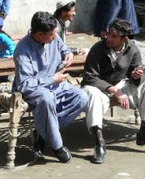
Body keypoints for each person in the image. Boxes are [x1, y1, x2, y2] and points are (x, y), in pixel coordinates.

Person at [82, 19, 145, 164]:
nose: (109, 38)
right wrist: (115, 91)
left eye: (114, 36)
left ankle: (144, 131)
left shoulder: (132, 48)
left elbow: (140, 71)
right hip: (98, 88)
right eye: (108, 34)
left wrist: (137, 76)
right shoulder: (98, 48)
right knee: (92, 94)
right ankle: (99, 142)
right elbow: (89, 78)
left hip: (121, 85)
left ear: (124, 39)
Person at [12, 11, 88, 163]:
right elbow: (25, 84)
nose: (55, 37)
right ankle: (57, 145)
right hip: (35, 89)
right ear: (40, 35)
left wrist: (68, 54)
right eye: (52, 35)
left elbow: (63, 48)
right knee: (46, 99)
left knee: (82, 98)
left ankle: (43, 132)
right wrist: (52, 79)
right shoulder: (22, 50)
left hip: (57, 84)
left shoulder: (53, 36)